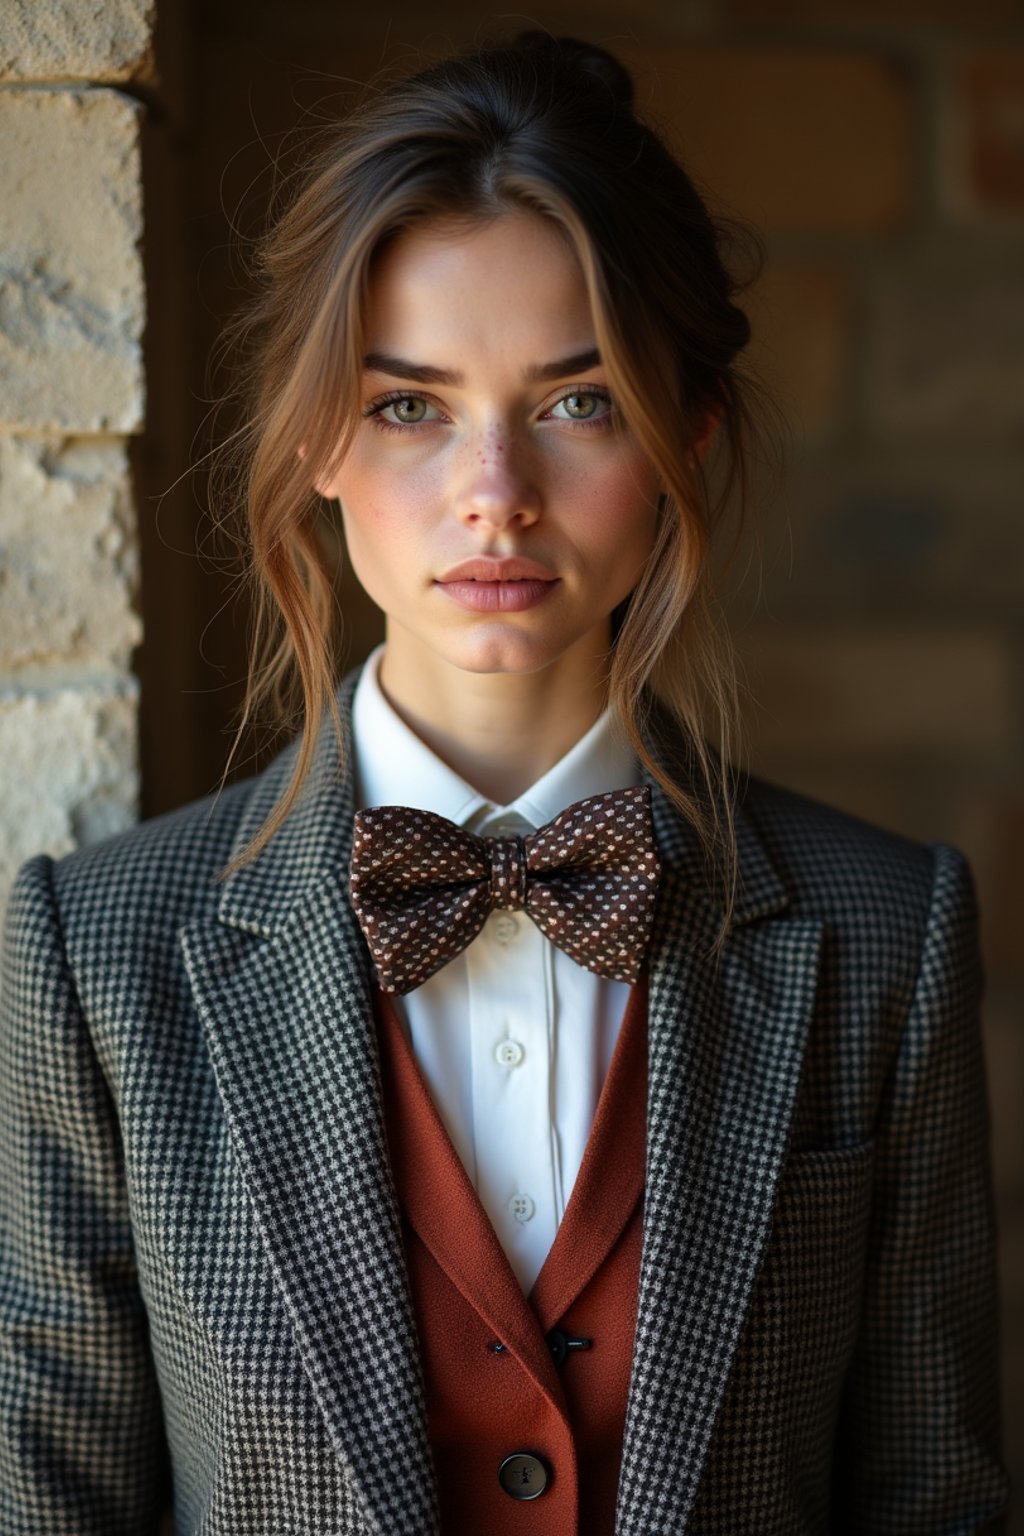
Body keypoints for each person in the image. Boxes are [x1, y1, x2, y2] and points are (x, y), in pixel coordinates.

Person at [0, 31, 1010, 1536]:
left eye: (578, 400)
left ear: (687, 437)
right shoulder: (100, 954)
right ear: (317, 438)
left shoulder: (888, 934)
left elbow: (934, 1502)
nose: (495, 493)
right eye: (410, 404)